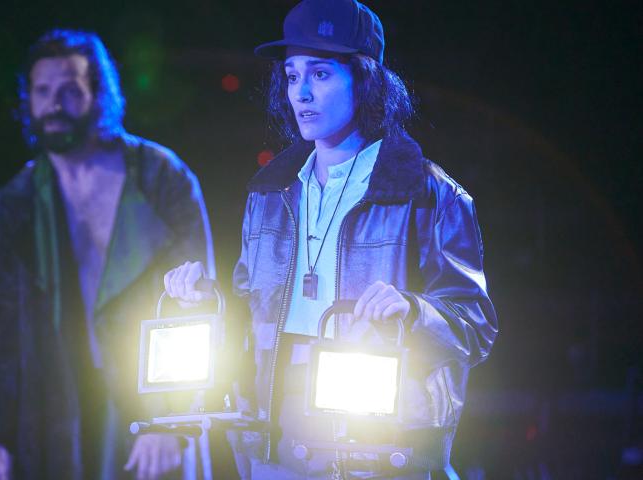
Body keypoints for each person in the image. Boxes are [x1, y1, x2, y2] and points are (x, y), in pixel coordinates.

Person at [164, 1, 498, 478]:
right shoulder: (270, 192)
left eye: (320, 74)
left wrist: (412, 310)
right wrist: (205, 301)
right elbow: (249, 311)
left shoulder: (427, 194)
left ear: (365, 80)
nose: (301, 93)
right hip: (274, 431)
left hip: (376, 437)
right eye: (292, 76)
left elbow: (475, 326)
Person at [0, 29, 215, 480]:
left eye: (69, 90)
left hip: (149, 405)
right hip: (55, 410)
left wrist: (170, 418)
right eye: (42, 91)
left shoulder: (161, 177)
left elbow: (196, 303)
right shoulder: (17, 200)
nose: (54, 105)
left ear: (98, 94)